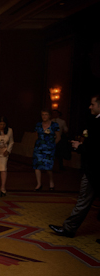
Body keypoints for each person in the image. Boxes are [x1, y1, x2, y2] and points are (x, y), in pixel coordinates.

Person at [49, 95, 100, 238]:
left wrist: (80, 146)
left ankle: (69, 229)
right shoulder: (95, 120)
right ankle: (69, 228)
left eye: (92, 104)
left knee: (84, 199)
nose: (90, 107)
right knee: (84, 199)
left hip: (94, 170)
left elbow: (96, 147)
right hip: (92, 168)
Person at [33, 109, 61, 191]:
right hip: (39, 148)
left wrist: (52, 145)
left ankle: (51, 182)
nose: (44, 116)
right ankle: (39, 184)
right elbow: (36, 135)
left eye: (46, 114)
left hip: (49, 149)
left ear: (49, 115)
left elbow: (58, 137)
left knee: (48, 167)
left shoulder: (54, 125)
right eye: (42, 115)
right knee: (37, 166)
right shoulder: (38, 125)